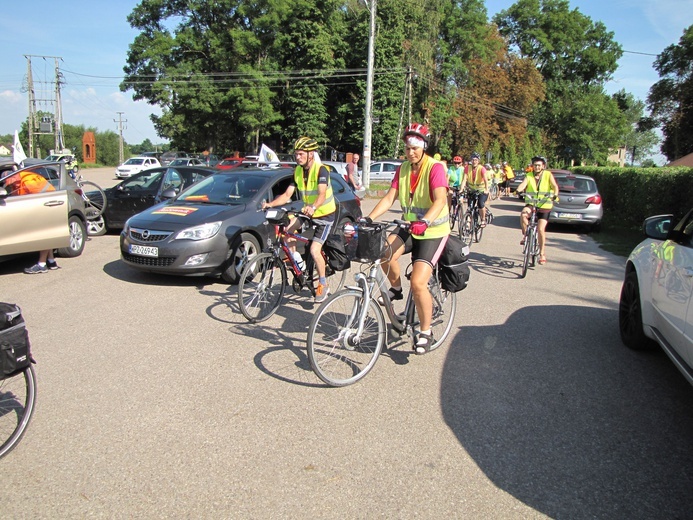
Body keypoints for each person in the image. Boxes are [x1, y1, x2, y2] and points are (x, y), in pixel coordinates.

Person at [361, 123, 450, 354]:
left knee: (419, 283)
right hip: (410, 227)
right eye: (407, 147)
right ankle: (396, 288)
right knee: (383, 252)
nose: (410, 152)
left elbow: (440, 200)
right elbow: (390, 198)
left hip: (433, 231)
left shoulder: (435, 168)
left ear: (424, 146)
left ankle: (426, 331)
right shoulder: (402, 169)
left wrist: (426, 221)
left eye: (415, 147)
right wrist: (368, 218)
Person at [262, 136, 336, 302]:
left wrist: (314, 207)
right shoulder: (297, 171)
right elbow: (287, 194)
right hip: (308, 213)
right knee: (287, 233)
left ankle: (323, 285)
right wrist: (270, 204)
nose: (298, 157)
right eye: (296, 154)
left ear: (311, 154)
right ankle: (300, 266)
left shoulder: (321, 170)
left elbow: (322, 193)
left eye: (301, 154)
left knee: (314, 250)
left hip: (324, 215)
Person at [3, 169, 62, 273]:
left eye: (9, 183)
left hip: (47, 205)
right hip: (48, 204)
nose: (9, 186)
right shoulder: (20, 180)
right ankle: (51, 262)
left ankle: (42, 264)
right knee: (47, 234)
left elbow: (38, 199)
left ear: (13, 178)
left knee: (44, 235)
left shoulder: (29, 182)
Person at [515, 156, 559, 265]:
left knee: (540, 229)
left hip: (545, 205)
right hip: (532, 203)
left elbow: (555, 186)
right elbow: (523, 184)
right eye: (535, 165)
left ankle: (542, 253)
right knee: (523, 214)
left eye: (539, 165)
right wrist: (518, 190)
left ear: (543, 166)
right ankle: (526, 235)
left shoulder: (548, 175)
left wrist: (555, 194)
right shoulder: (529, 175)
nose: (537, 167)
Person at [460, 152, 489, 226]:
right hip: (472, 190)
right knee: (470, 206)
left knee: (480, 203)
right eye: (473, 160)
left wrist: (486, 189)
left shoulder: (482, 168)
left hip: (481, 190)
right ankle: (468, 221)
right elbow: (464, 180)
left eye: (476, 160)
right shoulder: (467, 168)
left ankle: (483, 219)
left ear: (478, 161)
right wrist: (461, 189)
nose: (474, 161)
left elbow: (486, 180)